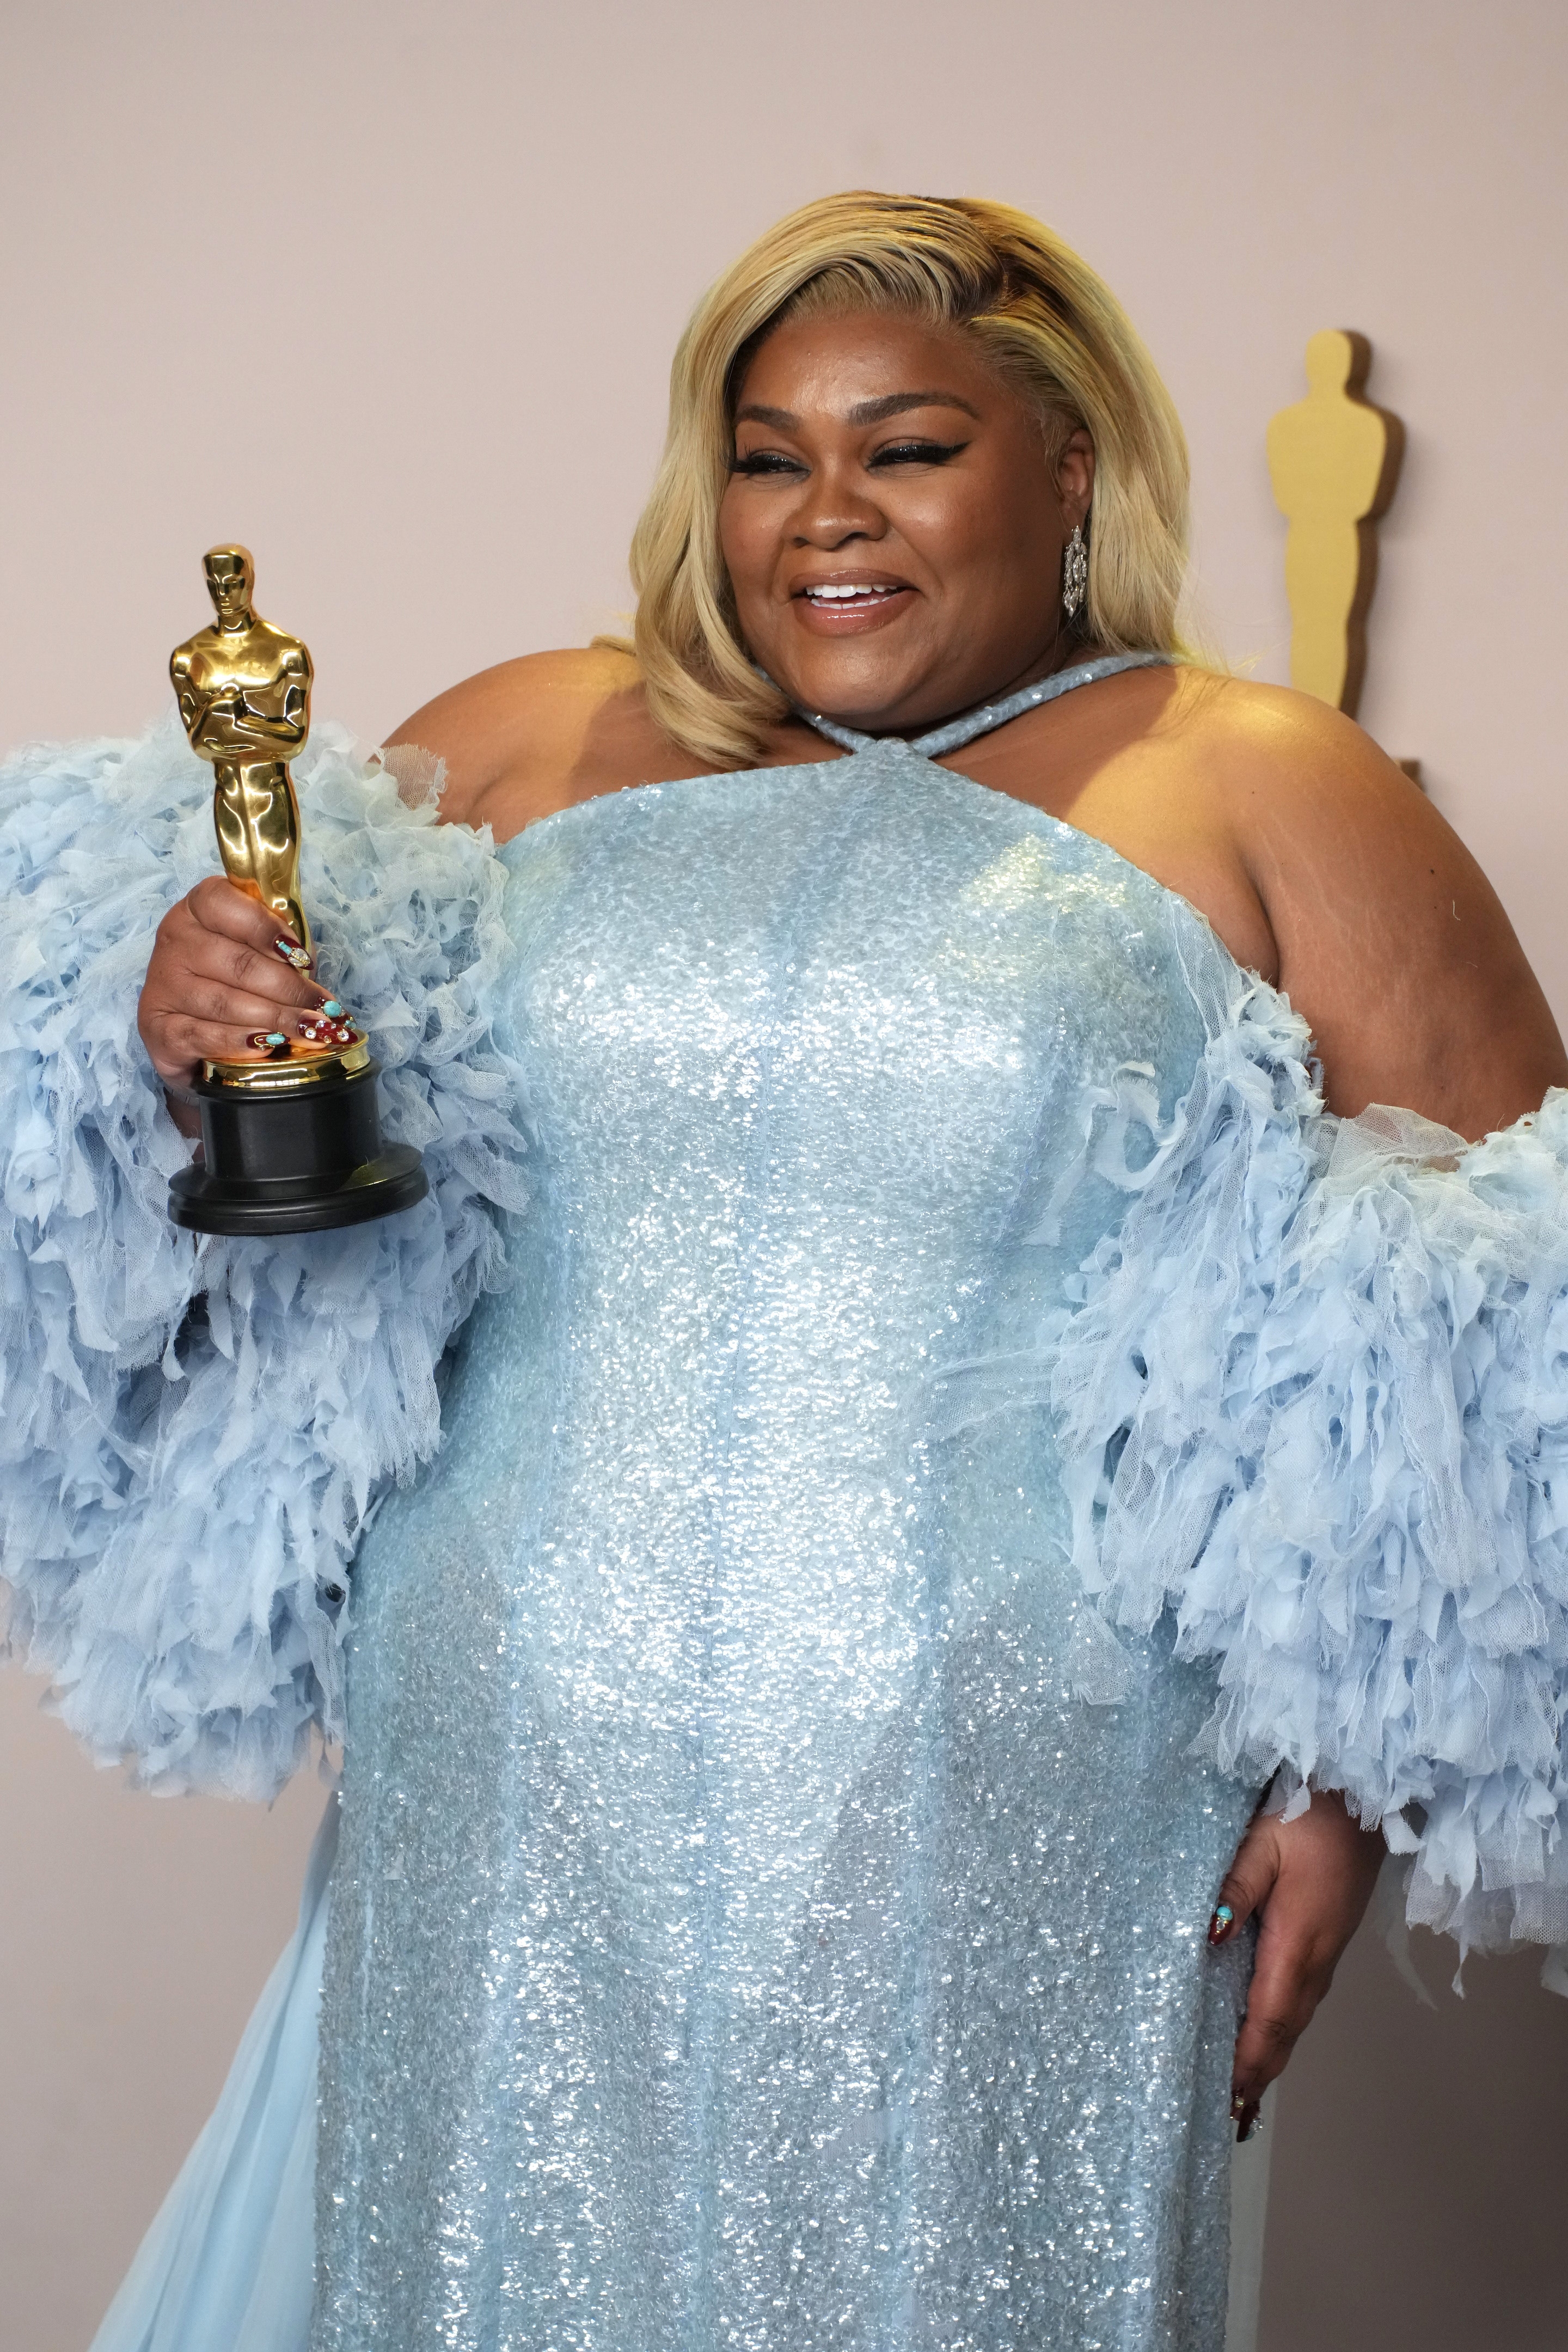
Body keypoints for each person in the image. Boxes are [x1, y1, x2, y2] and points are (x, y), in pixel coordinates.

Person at [5, 191, 1568, 2352]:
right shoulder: (538, 738)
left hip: (1021, 1798)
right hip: (509, 1747)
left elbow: (1503, 1328)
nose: (827, 511)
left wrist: (1349, 1783)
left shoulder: (1255, 783)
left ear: (1072, 472)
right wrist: (197, 1032)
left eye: (908, 447)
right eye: (769, 456)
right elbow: (312, 1184)